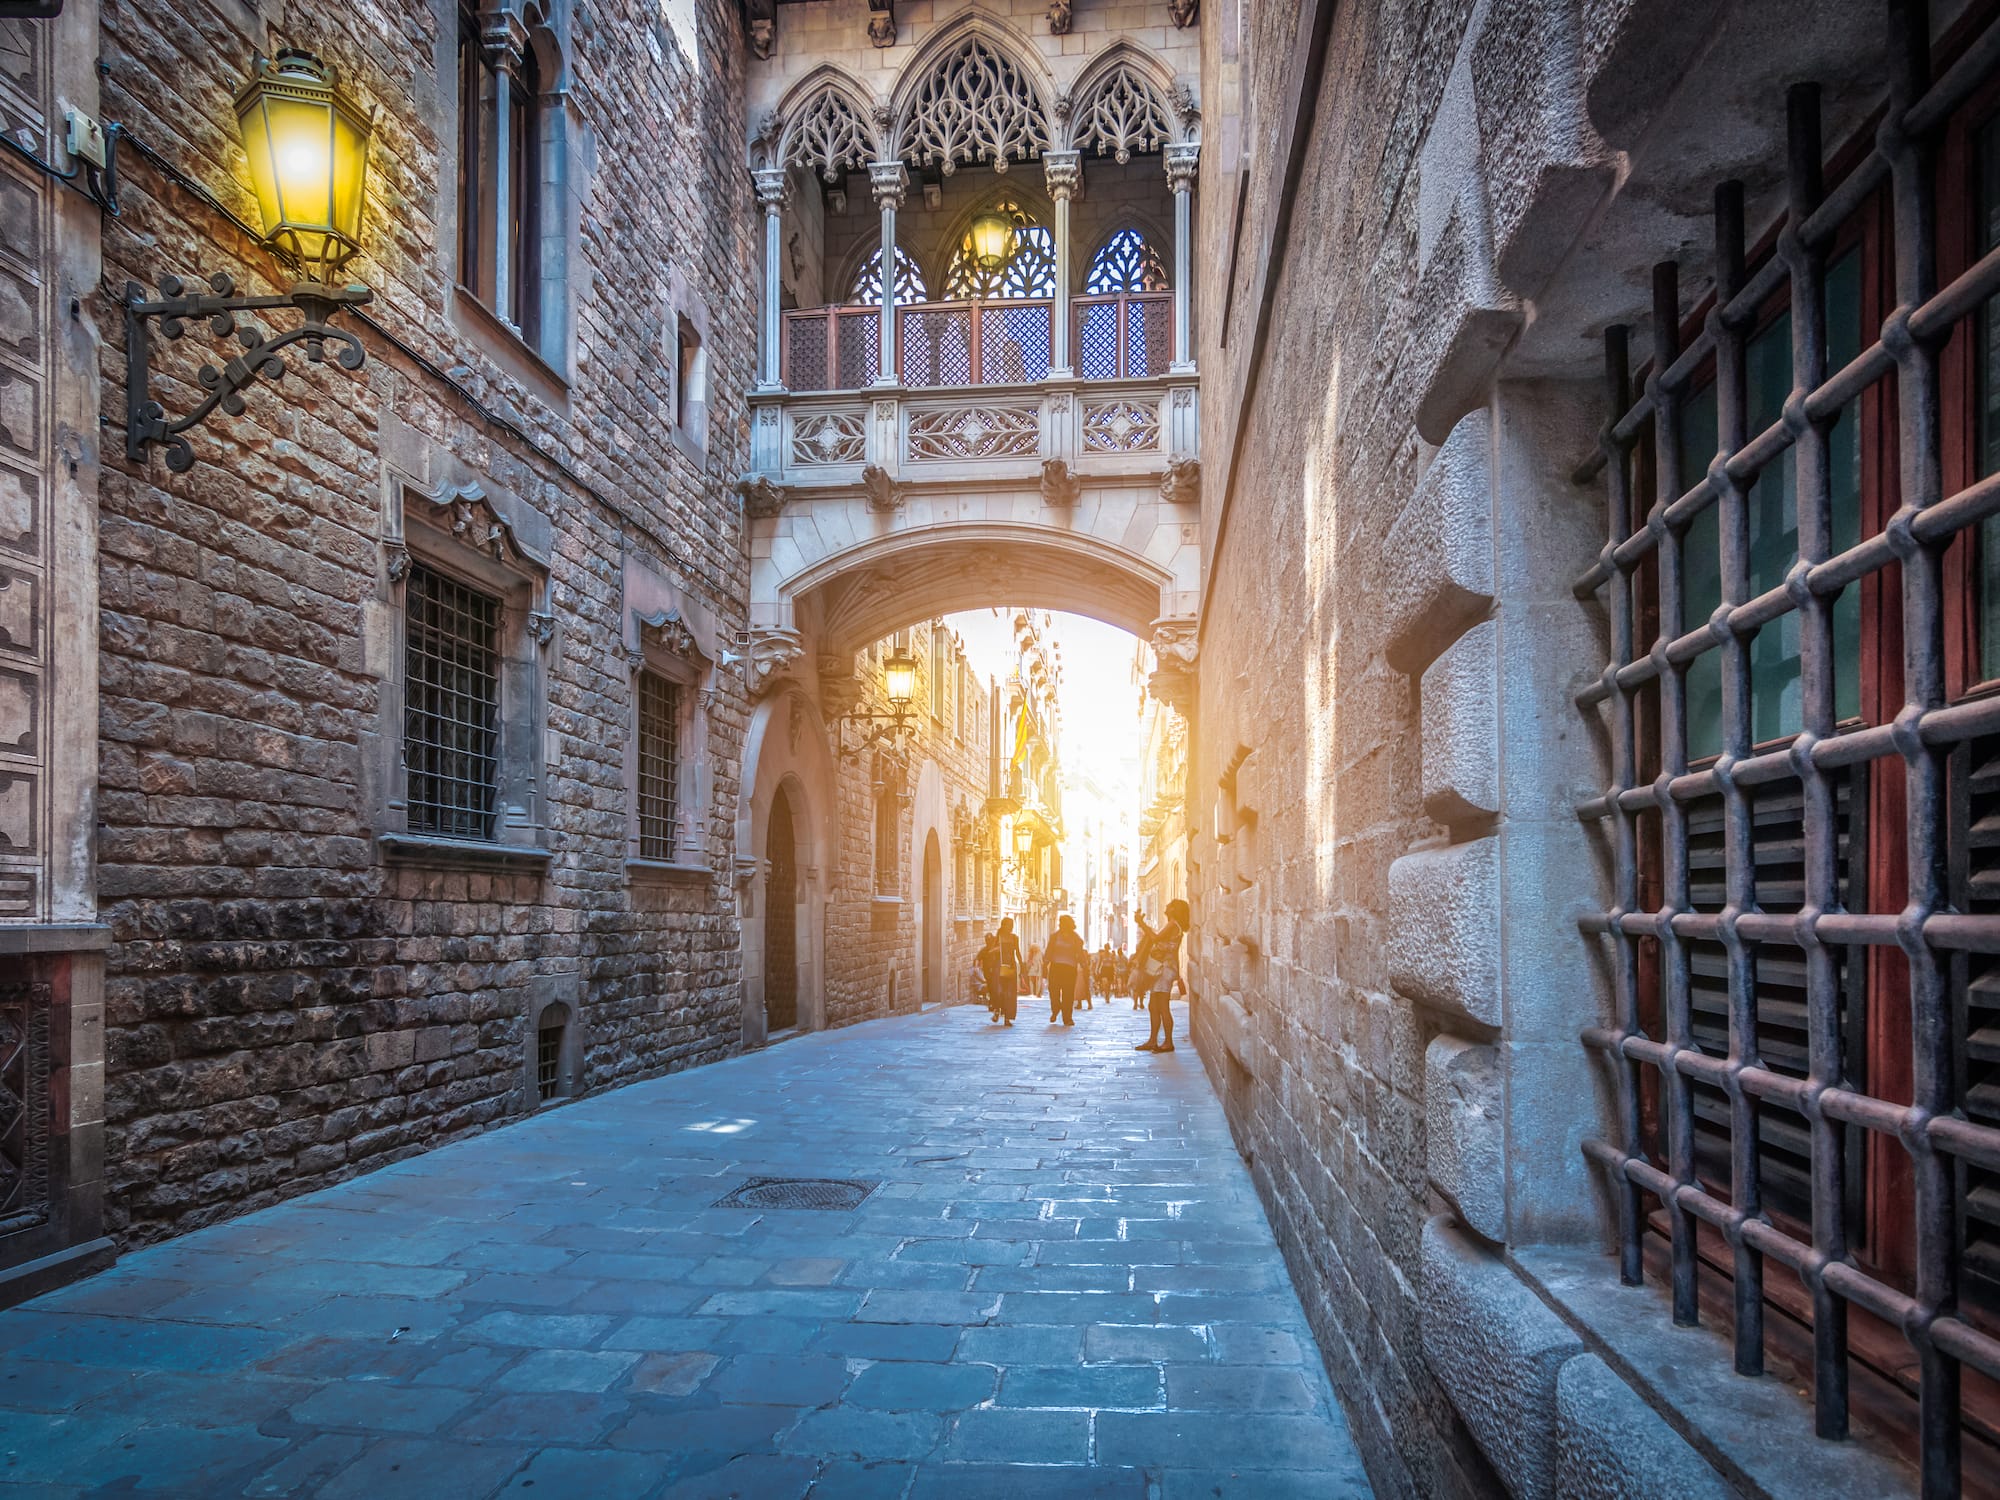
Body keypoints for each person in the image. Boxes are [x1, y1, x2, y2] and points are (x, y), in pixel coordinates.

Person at [1134, 900, 1189, 1052]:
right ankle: (1153, 1040)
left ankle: (1168, 1042)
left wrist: (1141, 923)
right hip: (1161, 968)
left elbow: (1155, 938)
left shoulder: (1173, 924)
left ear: (1173, 909)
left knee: (1163, 1006)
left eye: (1169, 905)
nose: (1166, 906)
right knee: (1153, 1005)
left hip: (1165, 969)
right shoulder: (1173, 925)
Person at [1044, 915, 1088, 1027]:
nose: (1061, 924)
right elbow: (1049, 951)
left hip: (1069, 968)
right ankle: (1055, 1009)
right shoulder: (1054, 937)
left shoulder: (1075, 938)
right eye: (1060, 922)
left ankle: (1067, 1018)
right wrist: (1045, 964)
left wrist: (1084, 964)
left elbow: (1080, 953)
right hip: (1055, 967)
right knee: (1053, 991)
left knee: (1068, 994)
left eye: (1063, 922)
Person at [983, 918, 1022, 1026]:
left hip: (1010, 966)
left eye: (1011, 925)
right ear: (1003, 925)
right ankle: (996, 1011)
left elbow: (1018, 953)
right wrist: (996, 950)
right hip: (998, 967)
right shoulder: (997, 938)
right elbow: (989, 952)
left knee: (1009, 993)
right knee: (998, 991)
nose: (1010, 927)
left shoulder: (1014, 938)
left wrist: (1022, 967)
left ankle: (1007, 1018)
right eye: (1008, 925)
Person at [972, 931, 997, 1020]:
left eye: (990, 940)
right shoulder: (984, 950)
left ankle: (994, 1004)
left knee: (994, 988)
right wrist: (976, 968)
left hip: (996, 973)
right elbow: (978, 959)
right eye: (987, 941)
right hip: (988, 974)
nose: (989, 942)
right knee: (991, 988)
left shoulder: (996, 950)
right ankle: (992, 1003)